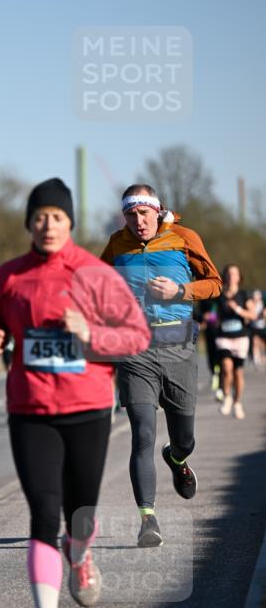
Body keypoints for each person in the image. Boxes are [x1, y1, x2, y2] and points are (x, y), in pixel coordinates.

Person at [0, 178, 151, 608]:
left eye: (56, 217)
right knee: (42, 513)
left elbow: (135, 337)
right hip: (30, 410)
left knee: (81, 513)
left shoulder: (95, 274)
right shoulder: (10, 276)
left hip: (87, 408)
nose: (47, 225)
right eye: (39, 217)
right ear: (29, 223)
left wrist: (90, 332)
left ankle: (80, 554)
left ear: (69, 223)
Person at [101, 186, 222, 546]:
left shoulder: (183, 238)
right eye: (130, 215)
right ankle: (148, 519)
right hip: (135, 352)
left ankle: (176, 458)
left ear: (157, 211)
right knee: (142, 434)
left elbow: (214, 284)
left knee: (183, 438)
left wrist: (180, 292)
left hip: (179, 348)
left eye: (144, 213)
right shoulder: (116, 245)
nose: (138, 222)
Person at [216, 265, 257, 419]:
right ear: (225, 276)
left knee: (238, 373)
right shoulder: (219, 295)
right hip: (224, 337)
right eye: (229, 273)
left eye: (234, 273)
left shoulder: (244, 294)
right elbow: (213, 313)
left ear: (239, 277)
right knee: (227, 368)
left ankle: (237, 402)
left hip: (241, 337)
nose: (231, 276)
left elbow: (252, 315)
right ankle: (227, 397)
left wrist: (237, 309)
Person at [250, 288, 266, 368]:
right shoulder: (251, 304)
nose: (256, 298)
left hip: (262, 327)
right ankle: (256, 359)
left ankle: (262, 356)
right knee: (255, 341)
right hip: (254, 327)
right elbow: (251, 315)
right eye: (254, 296)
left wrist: (262, 315)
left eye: (257, 296)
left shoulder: (262, 304)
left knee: (262, 343)